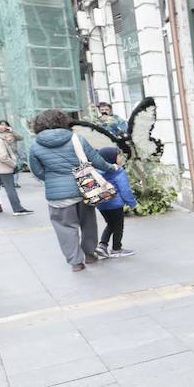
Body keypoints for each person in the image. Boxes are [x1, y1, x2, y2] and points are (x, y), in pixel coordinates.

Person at [27, 108, 117, 272]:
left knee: (64, 227)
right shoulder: (77, 139)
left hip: (57, 195)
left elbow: (37, 171)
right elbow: (97, 161)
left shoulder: (35, 146)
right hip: (84, 188)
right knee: (88, 223)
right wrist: (112, 168)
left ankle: (76, 262)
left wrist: (54, 180)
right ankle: (89, 254)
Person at [0, 119, 34, 219]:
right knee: (10, 188)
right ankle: (17, 209)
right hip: (1, 167)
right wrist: (13, 164)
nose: (1, 127)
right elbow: (2, 156)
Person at [95, 146, 138, 257]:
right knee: (118, 226)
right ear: (112, 158)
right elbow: (125, 190)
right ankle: (116, 249)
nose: (121, 158)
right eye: (119, 156)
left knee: (110, 224)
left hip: (102, 203)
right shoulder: (118, 171)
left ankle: (102, 246)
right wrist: (132, 203)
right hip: (115, 204)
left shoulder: (97, 171)